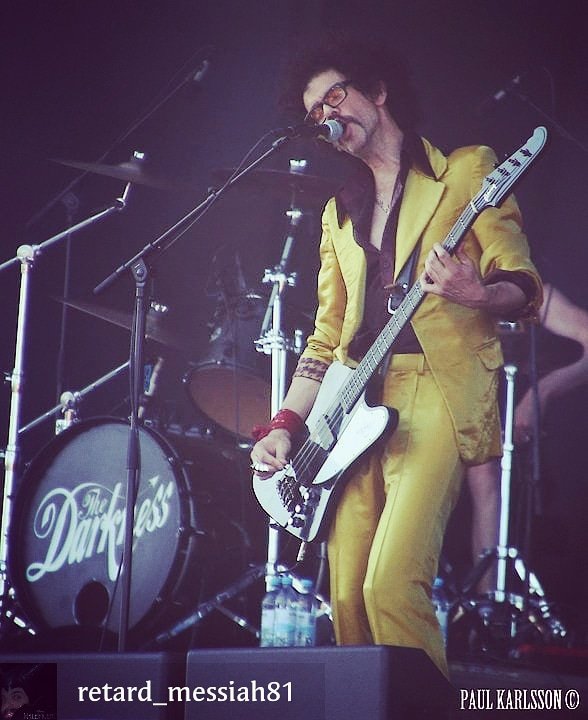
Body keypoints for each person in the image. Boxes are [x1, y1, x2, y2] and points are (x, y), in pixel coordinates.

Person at [249, 32, 542, 678]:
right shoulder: (337, 214)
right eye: (314, 112)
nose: (326, 115)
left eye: (335, 96)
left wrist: (475, 290)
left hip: (434, 384)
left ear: (377, 91)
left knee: (390, 584)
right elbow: (327, 339)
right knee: (347, 595)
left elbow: (522, 287)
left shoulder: (465, 170)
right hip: (353, 402)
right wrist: (283, 426)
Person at [465, 283, 588, 593]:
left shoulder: (534, 291)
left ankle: (489, 604)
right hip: (445, 406)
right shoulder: (446, 282)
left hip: (509, 418)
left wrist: (542, 393)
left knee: (486, 474)